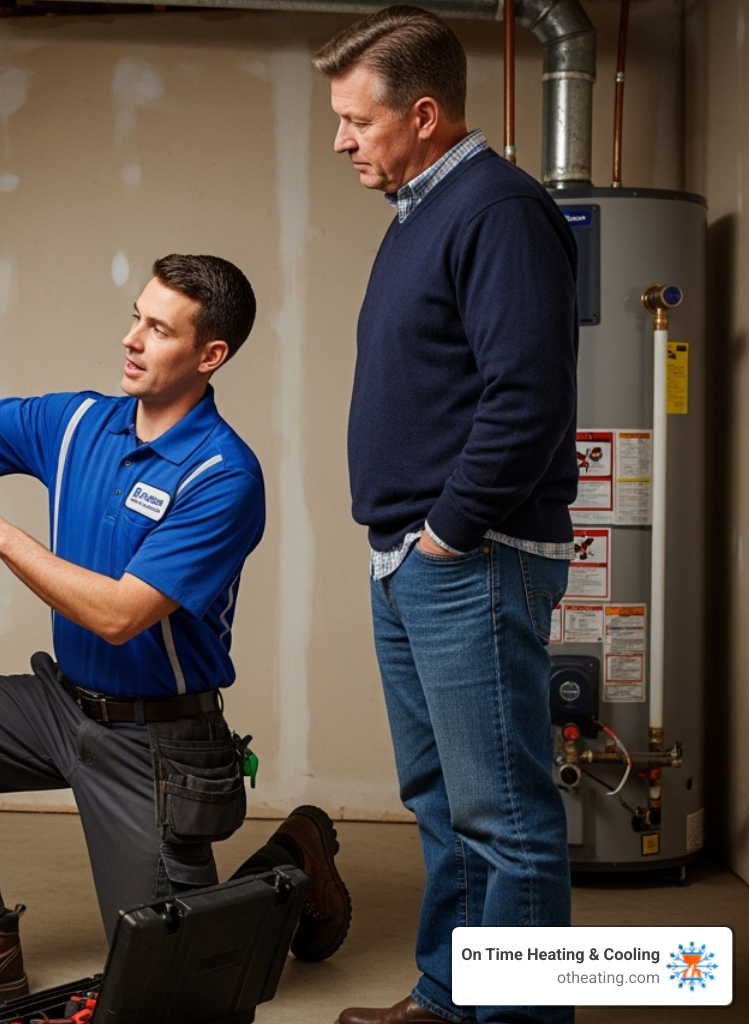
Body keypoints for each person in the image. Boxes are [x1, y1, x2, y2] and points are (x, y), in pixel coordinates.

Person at [0, 254, 352, 1021]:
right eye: (136, 316)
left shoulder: (222, 476)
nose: (132, 339)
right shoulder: (80, 421)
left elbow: (118, 614)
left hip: (157, 740)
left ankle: (293, 860)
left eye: (158, 329)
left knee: (176, 979)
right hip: (58, 704)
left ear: (211, 356)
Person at [313, 9, 578, 1024]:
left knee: (505, 820)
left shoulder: (498, 209)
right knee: (445, 805)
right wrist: (411, 546)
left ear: (423, 115)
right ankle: (447, 998)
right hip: (412, 556)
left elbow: (527, 397)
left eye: (356, 121)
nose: (341, 142)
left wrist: (446, 532)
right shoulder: (422, 212)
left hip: (469, 553)